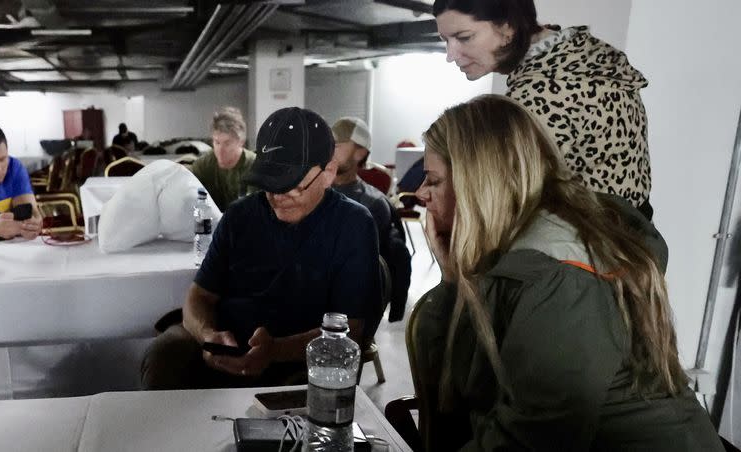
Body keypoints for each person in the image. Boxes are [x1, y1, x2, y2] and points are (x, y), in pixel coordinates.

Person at [410, 95, 722, 451]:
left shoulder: (559, 277)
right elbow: (465, 394)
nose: (421, 194)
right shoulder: (522, 251)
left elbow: (529, 442)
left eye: (433, 180)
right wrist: (453, 277)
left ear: (479, 183)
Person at [141, 107, 381, 390]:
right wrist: (208, 335)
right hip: (227, 342)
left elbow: (352, 328)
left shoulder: (352, 225)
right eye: (269, 184)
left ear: (328, 172)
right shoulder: (240, 216)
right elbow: (199, 295)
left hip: (299, 358)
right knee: (165, 354)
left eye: (292, 186)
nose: (278, 197)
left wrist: (275, 351)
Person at [434, 0, 654, 219]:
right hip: (633, 239)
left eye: (464, 37)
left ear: (508, 27)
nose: (450, 55)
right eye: (446, 40)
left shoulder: (541, 94)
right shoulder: (583, 58)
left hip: (590, 243)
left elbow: (502, 203)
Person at [331, 117, 412, 322]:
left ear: (360, 152)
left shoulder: (373, 204)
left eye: (337, 145)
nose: (329, 150)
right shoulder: (309, 190)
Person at [190, 107, 257, 211]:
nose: (220, 150)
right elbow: (193, 203)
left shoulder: (255, 166)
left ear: (241, 142)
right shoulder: (203, 166)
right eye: (217, 142)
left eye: (227, 143)